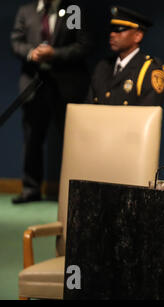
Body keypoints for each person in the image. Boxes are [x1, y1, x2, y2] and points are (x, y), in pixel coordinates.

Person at [10, 0, 92, 204]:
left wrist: (54, 54)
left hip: (66, 85)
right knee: (32, 139)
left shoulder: (73, 11)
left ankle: (75, 191)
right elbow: (16, 41)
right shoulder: (26, 11)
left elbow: (83, 45)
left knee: (72, 141)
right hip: (33, 84)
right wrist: (31, 52)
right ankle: (31, 189)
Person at [86, 6, 164, 106]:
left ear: (137, 36)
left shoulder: (149, 70)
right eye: (112, 29)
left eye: (119, 29)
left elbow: (147, 115)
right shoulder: (102, 67)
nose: (112, 34)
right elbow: (89, 107)